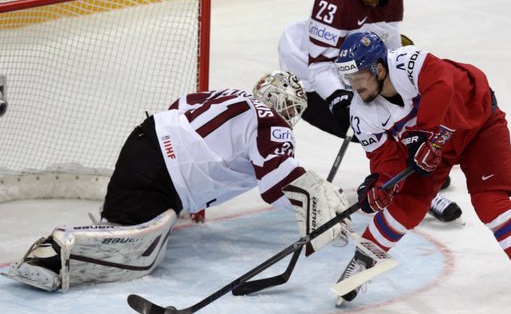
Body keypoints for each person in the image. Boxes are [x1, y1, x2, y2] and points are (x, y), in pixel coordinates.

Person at [1, 71, 350, 292]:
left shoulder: (230, 96)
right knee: (141, 254)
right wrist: (316, 202)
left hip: (143, 145)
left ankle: (83, 241)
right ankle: (54, 250)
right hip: (162, 174)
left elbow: (177, 106)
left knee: (140, 229)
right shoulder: (271, 123)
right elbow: (277, 184)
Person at [333, 32, 511, 314]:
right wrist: (380, 183)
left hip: (478, 126)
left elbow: (441, 84)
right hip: (436, 149)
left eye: (358, 76)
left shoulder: (406, 61)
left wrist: (423, 132)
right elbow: (384, 157)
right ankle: (362, 262)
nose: (354, 86)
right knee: (405, 206)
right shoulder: (361, 112)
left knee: (491, 204)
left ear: (377, 67)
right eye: (348, 78)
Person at [278, 0, 461, 223]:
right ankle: (416, 189)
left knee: (403, 114)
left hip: (357, 73)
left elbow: (390, 46)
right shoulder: (334, 0)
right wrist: (337, 98)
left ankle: (417, 177)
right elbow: (319, 68)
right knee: (379, 129)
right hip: (310, 83)